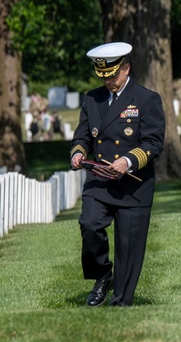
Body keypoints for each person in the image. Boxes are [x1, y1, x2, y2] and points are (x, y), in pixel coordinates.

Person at [70, 42, 165, 307]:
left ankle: (121, 301)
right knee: (89, 224)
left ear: (126, 68)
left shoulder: (147, 99)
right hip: (100, 180)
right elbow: (83, 136)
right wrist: (77, 153)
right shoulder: (92, 99)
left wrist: (128, 160)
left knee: (128, 248)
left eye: (112, 75)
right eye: (103, 76)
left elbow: (154, 143)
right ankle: (102, 275)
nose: (108, 81)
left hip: (133, 184)